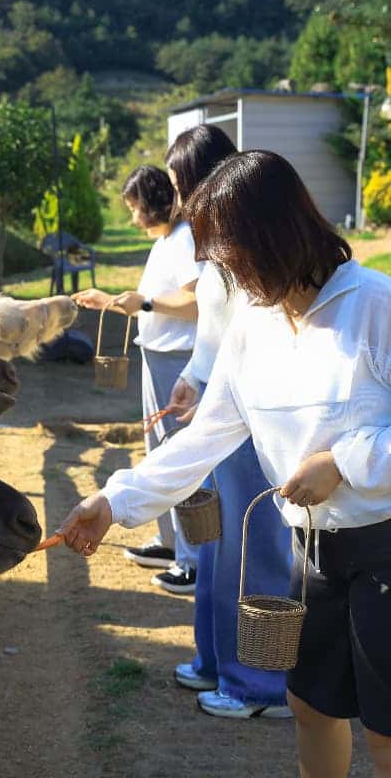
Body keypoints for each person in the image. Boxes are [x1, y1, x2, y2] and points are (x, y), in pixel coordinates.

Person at [60, 150, 391, 777]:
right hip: (314, 550)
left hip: (385, 545)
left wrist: (344, 463)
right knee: (311, 705)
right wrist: (115, 499)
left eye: (229, 256)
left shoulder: (376, 305)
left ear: (273, 236)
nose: (224, 274)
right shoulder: (254, 325)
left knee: (386, 731)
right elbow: (205, 437)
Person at [166, 259, 293, 719]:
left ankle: (261, 684)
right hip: (221, 401)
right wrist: (194, 374)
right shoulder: (219, 252)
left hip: (252, 410)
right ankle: (217, 660)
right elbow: (217, 330)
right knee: (217, 541)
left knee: (252, 546)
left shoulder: (255, 253)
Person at [73, 164, 201, 592]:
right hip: (158, 355)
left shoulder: (183, 239)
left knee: (177, 453)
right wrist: (112, 300)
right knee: (158, 448)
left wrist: (144, 304)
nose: (132, 218)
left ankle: (192, 558)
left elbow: (194, 301)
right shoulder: (166, 240)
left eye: (134, 208)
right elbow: (154, 300)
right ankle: (171, 543)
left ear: (152, 203)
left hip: (177, 359)